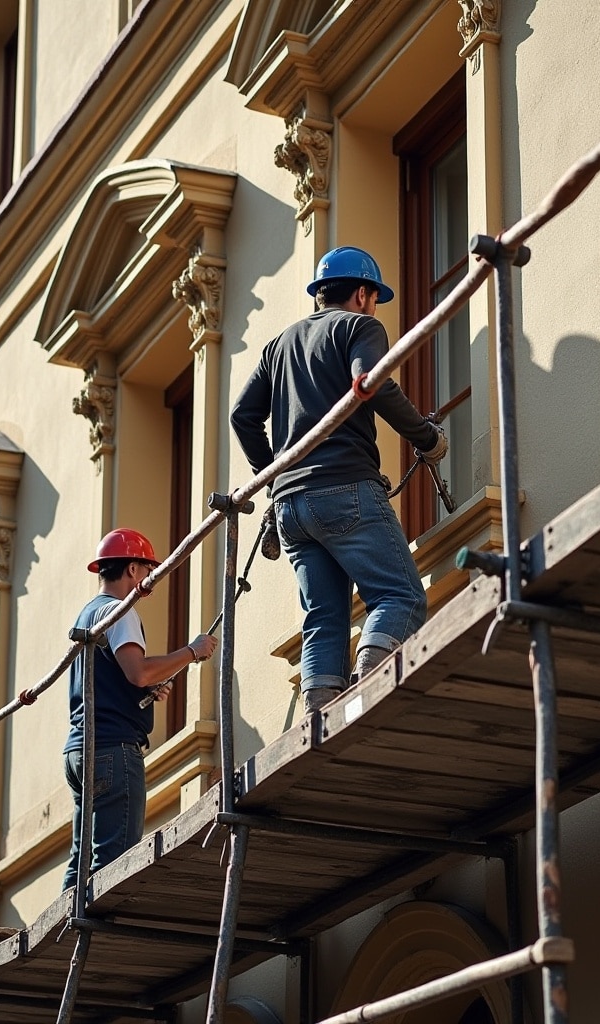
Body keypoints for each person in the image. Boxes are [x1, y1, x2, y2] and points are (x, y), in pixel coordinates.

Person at [230, 246, 446, 713]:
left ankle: (319, 711)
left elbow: (242, 417)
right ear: (365, 294)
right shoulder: (359, 326)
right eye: (374, 297)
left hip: (290, 510)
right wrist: (426, 437)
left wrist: (275, 477)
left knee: (323, 616)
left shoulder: (279, 345)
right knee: (401, 595)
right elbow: (371, 381)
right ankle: (370, 683)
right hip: (344, 488)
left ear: (320, 295)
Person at [63, 527, 218, 889]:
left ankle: (65, 936)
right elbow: (139, 672)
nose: (151, 579)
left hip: (80, 750)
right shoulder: (120, 611)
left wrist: (147, 685)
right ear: (132, 569)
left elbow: (121, 679)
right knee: (113, 860)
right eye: (148, 570)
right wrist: (192, 651)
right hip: (113, 750)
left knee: (81, 857)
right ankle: (96, 940)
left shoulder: (86, 616)